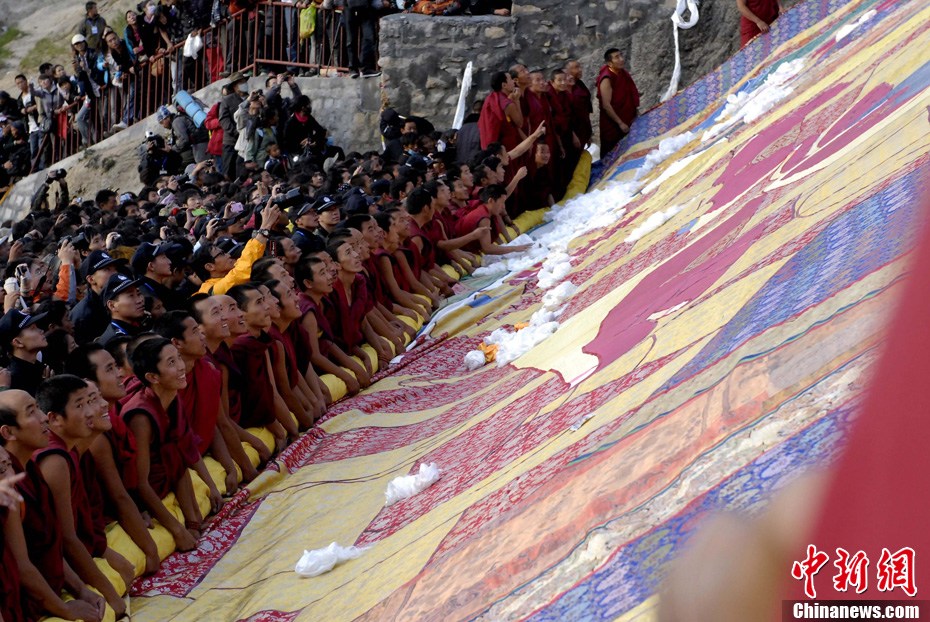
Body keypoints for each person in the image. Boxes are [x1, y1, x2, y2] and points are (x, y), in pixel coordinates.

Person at [0, 390, 107, 622]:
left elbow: (50, 546)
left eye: (38, 409)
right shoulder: (9, 482)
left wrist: (81, 590)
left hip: (49, 585)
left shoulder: (30, 469)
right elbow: (21, 565)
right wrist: (66, 610)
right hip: (24, 601)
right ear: (8, 432)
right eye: (31, 412)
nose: (43, 418)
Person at [34, 375, 130, 618]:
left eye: (90, 402)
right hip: (45, 569)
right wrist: (111, 595)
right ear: (54, 419)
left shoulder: (73, 451)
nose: (90, 411)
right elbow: (65, 538)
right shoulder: (55, 460)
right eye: (79, 405)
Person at [63, 343, 162, 575]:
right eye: (109, 369)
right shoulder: (91, 438)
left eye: (116, 366)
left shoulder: (111, 419)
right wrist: (152, 549)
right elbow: (117, 496)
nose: (119, 373)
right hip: (95, 536)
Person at [121, 337, 220, 552]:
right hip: (141, 500)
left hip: (169, 482)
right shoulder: (141, 416)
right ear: (153, 377)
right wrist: (177, 530)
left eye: (178, 358)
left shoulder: (172, 397)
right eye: (171, 363)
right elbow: (140, 482)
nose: (181, 366)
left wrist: (194, 520)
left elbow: (180, 456)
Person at [70, 249, 123, 344]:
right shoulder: (84, 315)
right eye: (106, 269)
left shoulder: (118, 299)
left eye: (115, 269)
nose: (115, 273)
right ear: (91, 279)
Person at [596, 47, 640, 157]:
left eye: (621, 55)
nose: (621, 59)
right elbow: (606, 105)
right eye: (617, 57)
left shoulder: (622, 73)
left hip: (627, 117)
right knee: (612, 152)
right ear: (609, 63)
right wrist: (620, 123)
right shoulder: (607, 78)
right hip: (613, 124)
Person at [0, 309, 49, 396]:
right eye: (33, 328)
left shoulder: (40, 368)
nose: (41, 331)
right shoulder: (13, 380)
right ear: (18, 342)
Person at [479, 71, 525, 152]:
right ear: (504, 85)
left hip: (489, 142)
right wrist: (517, 100)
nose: (514, 81)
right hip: (505, 146)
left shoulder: (491, 98)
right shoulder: (508, 104)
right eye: (510, 79)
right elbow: (519, 123)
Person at [97, 273, 148, 345]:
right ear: (112, 306)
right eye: (131, 296)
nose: (139, 300)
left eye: (139, 294)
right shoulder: (115, 342)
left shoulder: (143, 322)